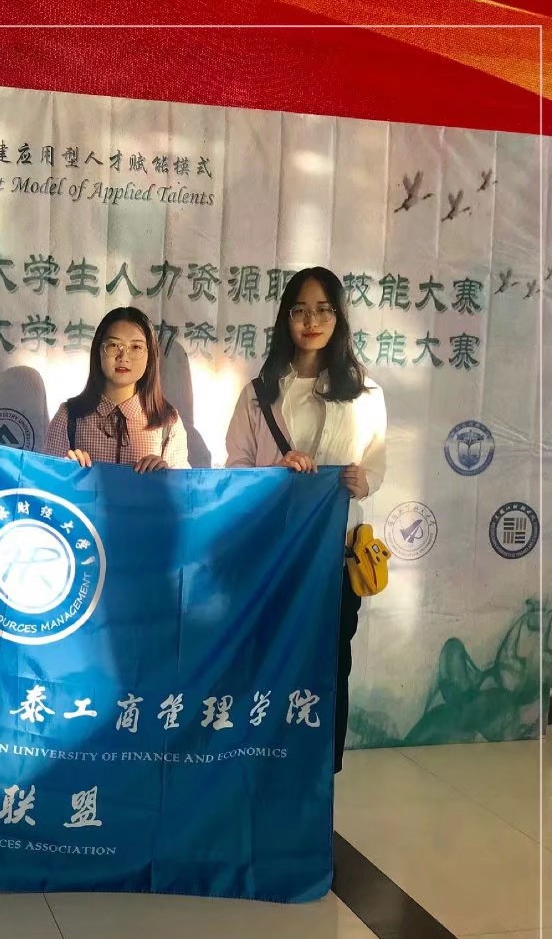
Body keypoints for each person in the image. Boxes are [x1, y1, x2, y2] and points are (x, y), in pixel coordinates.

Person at [224, 266, 387, 774]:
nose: (311, 322)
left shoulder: (365, 392)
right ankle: (264, 765)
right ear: (285, 318)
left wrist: (363, 481)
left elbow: (376, 463)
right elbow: (236, 467)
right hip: (272, 554)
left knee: (330, 663)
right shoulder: (260, 392)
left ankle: (320, 775)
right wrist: (279, 469)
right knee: (268, 659)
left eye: (322, 310)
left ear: (338, 318)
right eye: (300, 310)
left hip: (334, 556)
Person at [42, 306, 189, 470]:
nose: (123, 357)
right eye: (113, 345)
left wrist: (166, 476)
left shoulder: (167, 422)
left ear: (150, 357)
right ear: (98, 351)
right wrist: (64, 472)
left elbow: (183, 485)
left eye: (136, 347)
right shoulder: (69, 417)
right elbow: (46, 480)